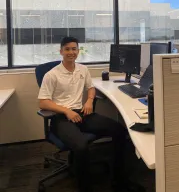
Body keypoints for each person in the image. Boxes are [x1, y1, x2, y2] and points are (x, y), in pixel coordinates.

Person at [38, 36, 131, 192]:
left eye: (74, 49)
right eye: (67, 49)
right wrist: (67, 111)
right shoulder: (51, 75)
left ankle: (119, 180)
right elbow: (43, 103)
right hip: (61, 118)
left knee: (120, 131)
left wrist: (89, 100)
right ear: (61, 51)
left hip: (81, 113)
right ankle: (85, 187)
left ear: (78, 51)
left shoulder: (83, 69)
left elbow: (91, 88)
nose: (71, 52)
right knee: (81, 146)